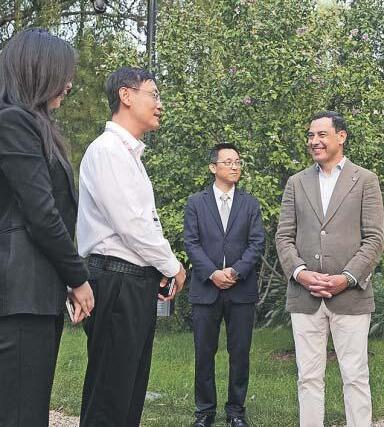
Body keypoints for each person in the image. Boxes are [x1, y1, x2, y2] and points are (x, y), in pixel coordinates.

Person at [77, 67, 186, 427]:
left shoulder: (129, 155)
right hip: (116, 282)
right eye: (153, 94)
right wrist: (172, 265)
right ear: (126, 95)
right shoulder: (108, 150)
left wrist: (158, 268)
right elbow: (132, 225)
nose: (160, 104)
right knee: (110, 398)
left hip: (134, 282)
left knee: (128, 396)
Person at [0, 28, 94, 427]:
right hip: (22, 293)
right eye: (63, 73)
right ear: (38, 71)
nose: (69, 84)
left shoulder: (31, 124)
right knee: (22, 415)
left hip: (34, 293)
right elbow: (42, 214)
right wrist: (78, 278)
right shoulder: (14, 121)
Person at [275, 111, 384, 427]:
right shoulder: (296, 182)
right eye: (310, 135)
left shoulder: (365, 180)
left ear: (341, 136)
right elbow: (283, 236)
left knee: (355, 376)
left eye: (321, 134)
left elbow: (374, 238)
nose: (314, 141)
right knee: (308, 377)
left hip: (350, 297)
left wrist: (346, 279)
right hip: (304, 297)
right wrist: (300, 273)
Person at [184, 143, 265, 427]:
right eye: (228, 161)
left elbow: (257, 243)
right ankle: (204, 411)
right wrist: (212, 273)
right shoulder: (196, 202)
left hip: (241, 290)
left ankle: (236, 412)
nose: (234, 166)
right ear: (213, 167)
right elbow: (191, 242)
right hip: (206, 289)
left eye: (237, 162)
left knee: (240, 353)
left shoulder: (250, 204)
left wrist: (235, 271)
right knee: (204, 353)